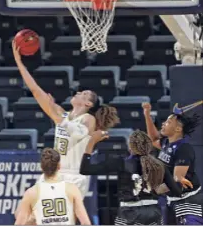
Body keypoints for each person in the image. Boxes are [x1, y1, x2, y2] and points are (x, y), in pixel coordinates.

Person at [12, 40, 120, 198]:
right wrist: (19, 62)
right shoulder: (63, 115)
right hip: (56, 172)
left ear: (88, 103)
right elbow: (36, 91)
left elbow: (75, 132)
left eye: (83, 94)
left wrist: (55, 113)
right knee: (29, 216)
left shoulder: (88, 119)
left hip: (74, 176)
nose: (77, 93)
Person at [80, 129, 193, 225]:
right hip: (153, 211)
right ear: (149, 146)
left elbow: (85, 170)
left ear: (130, 146)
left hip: (128, 211)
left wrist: (92, 142)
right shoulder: (159, 165)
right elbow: (177, 192)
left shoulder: (121, 163)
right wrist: (163, 187)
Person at [142, 102, 203, 225]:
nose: (164, 123)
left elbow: (177, 180)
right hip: (172, 199)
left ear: (178, 129)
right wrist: (147, 115)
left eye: (168, 122)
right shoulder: (166, 143)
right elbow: (153, 139)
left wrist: (154, 189)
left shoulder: (183, 149)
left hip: (188, 201)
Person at [15, 147, 91, 225]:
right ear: (59, 166)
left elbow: (19, 223)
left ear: (41, 167)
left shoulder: (31, 193)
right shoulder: (72, 189)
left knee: (25, 216)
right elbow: (86, 223)